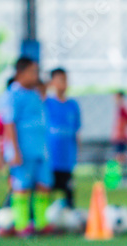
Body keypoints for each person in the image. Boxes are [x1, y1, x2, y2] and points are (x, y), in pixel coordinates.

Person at [0, 57, 53, 237]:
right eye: (32, 72)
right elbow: (9, 124)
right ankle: (22, 225)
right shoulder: (11, 95)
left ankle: (41, 223)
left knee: (43, 184)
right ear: (20, 73)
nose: (35, 76)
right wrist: (13, 151)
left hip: (40, 149)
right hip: (22, 150)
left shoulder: (35, 93)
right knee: (22, 186)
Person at [45, 68, 82, 210]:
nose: (64, 83)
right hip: (50, 159)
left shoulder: (73, 105)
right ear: (52, 82)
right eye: (60, 80)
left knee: (68, 192)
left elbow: (77, 131)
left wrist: (77, 153)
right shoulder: (46, 103)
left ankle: (69, 216)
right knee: (45, 191)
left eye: (65, 80)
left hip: (66, 159)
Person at [111, 90, 127, 187]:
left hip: (122, 138)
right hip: (119, 137)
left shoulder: (122, 108)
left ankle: (125, 178)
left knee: (121, 158)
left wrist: (123, 129)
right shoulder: (119, 108)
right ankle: (123, 178)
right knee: (120, 158)